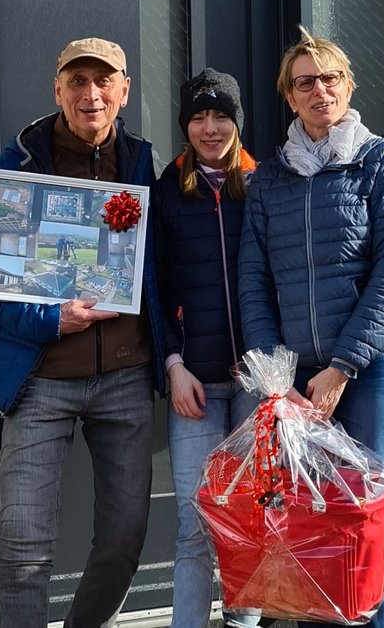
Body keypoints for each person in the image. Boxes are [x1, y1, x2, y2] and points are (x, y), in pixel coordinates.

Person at [0, 37, 165, 628]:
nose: (90, 94)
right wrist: (51, 320)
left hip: (125, 376)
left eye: (104, 81)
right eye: (77, 81)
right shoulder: (17, 166)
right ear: (57, 90)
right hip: (40, 377)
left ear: (124, 90)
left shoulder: (144, 166)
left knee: (124, 538)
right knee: (23, 542)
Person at [238, 28, 384, 628]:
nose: (320, 90)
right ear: (289, 96)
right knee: (311, 525)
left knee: (364, 522)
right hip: (296, 383)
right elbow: (253, 282)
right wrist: (276, 381)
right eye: (305, 82)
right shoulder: (269, 180)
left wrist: (342, 367)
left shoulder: (381, 162)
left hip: (373, 369)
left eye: (330, 78)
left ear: (349, 85)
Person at [152, 69, 260, 628]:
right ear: (186, 125)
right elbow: (153, 289)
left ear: (237, 122)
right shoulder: (167, 191)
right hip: (194, 384)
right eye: (198, 117)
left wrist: (272, 365)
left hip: (254, 385)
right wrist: (172, 364)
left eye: (221, 116)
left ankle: (245, 623)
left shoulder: (264, 184)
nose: (210, 128)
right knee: (195, 526)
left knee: (248, 519)